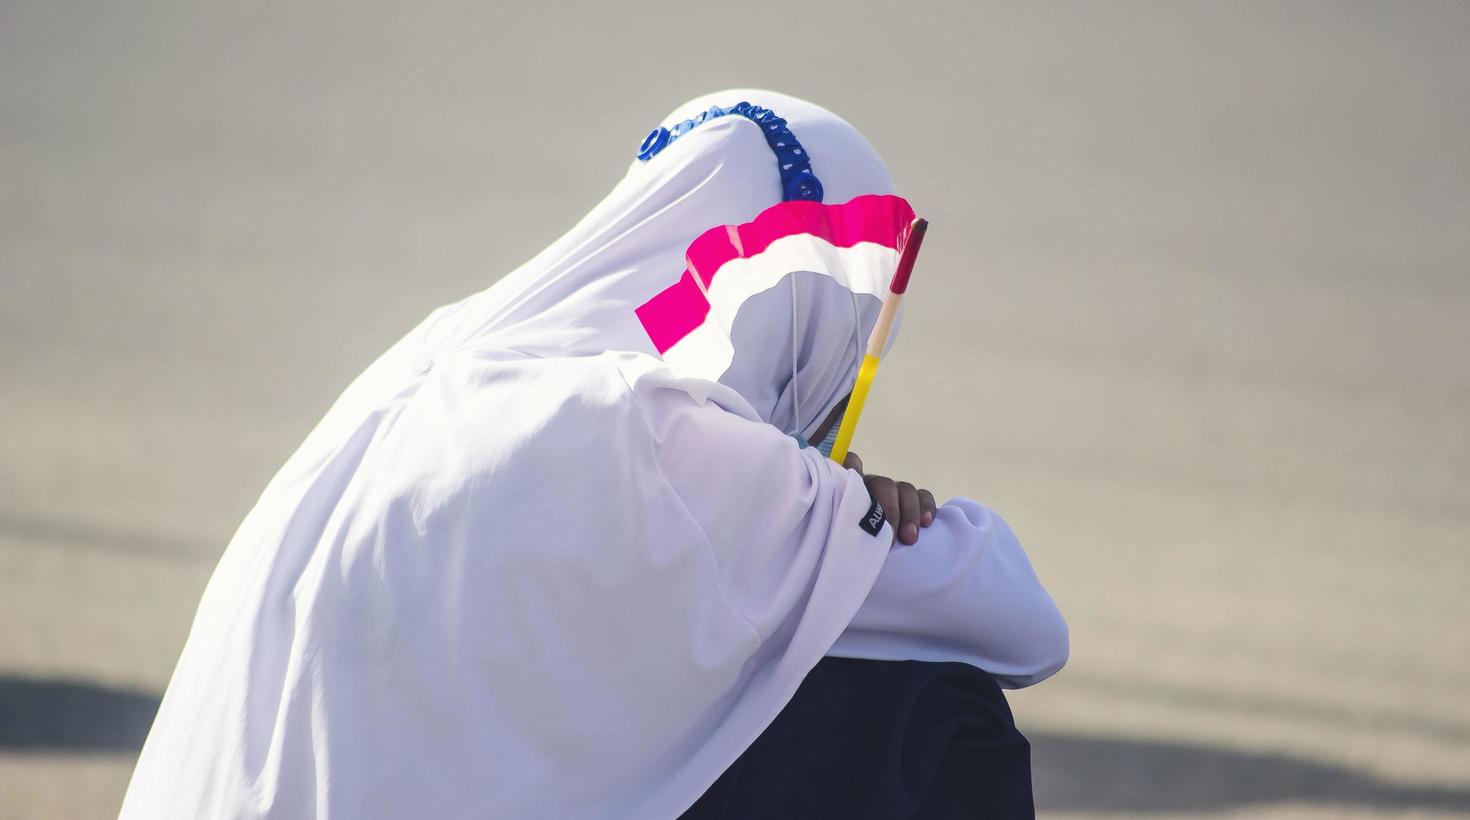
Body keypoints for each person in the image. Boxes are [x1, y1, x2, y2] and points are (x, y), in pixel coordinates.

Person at [120, 90, 1067, 819]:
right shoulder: (653, 430)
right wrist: (844, 516)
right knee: (936, 715)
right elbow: (1025, 627)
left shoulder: (434, 364)